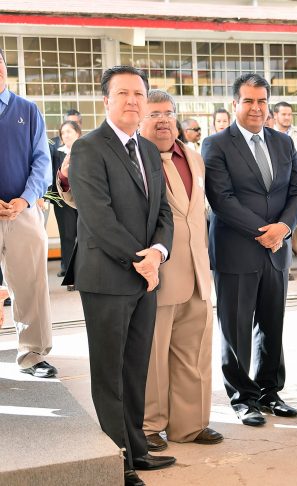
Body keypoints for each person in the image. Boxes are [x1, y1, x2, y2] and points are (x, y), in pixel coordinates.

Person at [68, 65, 176, 486]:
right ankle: (118, 460)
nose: (133, 100)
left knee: (136, 369)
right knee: (109, 373)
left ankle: (139, 448)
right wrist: (142, 259)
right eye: (123, 93)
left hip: (145, 277)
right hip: (108, 278)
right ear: (106, 101)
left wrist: (159, 253)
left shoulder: (148, 149)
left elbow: (163, 212)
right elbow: (98, 218)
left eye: (139, 94)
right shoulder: (89, 148)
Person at [202, 73, 297, 428]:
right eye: (248, 101)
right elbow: (222, 200)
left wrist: (284, 228)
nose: (256, 108)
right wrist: (264, 232)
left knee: (272, 325)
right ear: (235, 105)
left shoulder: (283, 143)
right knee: (235, 329)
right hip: (236, 250)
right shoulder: (216, 145)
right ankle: (242, 397)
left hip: (277, 251)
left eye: (262, 101)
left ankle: (269, 392)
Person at [138, 90, 223, 453]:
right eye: (154, 113)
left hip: (198, 273)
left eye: (168, 113)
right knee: (153, 357)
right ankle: (149, 425)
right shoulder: (134, 158)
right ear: (141, 120)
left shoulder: (192, 155)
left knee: (194, 353)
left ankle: (190, 426)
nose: (163, 120)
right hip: (158, 274)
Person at [0, 46, 56, 379]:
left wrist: (25, 199)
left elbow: (41, 161)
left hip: (22, 210)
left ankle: (33, 353)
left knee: (31, 284)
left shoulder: (28, 110)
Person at [273, 101, 297, 265]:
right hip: (277, 188)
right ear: (275, 115)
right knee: (280, 225)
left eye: (289, 114)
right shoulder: (267, 135)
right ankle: (286, 267)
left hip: (296, 186)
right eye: (284, 114)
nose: (287, 117)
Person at [51, 120, 81, 281]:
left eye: (69, 131)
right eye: (63, 133)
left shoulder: (85, 150)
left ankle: (82, 269)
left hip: (83, 201)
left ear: (78, 133)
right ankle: (67, 269)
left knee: (83, 235)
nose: (66, 135)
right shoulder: (57, 152)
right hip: (62, 202)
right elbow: (51, 176)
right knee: (67, 235)